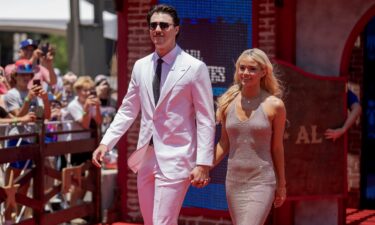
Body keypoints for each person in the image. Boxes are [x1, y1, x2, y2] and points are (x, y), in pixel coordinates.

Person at [92, 4, 215, 225]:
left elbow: (206, 119)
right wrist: (106, 143)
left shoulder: (195, 67)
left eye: (164, 25)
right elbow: (128, 109)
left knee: (162, 222)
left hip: (177, 157)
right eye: (153, 25)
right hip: (146, 157)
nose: (157, 29)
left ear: (176, 29)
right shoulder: (141, 66)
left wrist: (203, 163)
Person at [214, 48, 287, 225]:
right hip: (234, 181)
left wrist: (282, 184)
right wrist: (204, 167)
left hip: (261, 180)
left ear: (263, 72)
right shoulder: (227, 102)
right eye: (242, 68)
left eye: (252, 69)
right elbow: (224, 142)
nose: (246, 73)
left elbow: (277, 147)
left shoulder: (275, 105)